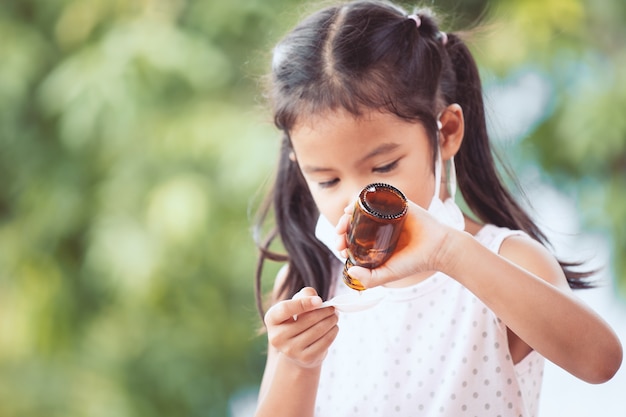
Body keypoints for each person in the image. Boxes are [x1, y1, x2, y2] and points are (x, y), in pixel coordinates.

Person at [252, 1, 623, 416]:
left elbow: (600, 361)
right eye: (327, 180)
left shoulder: (506, 260)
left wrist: (449, 252)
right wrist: (296, 362)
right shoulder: (308, 280)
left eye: (384, 166)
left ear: (445, 132)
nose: (357, 199)